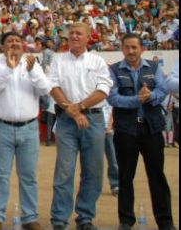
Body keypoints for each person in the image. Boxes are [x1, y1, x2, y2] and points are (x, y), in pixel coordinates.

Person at [47, 22, 113, 230]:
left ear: (88, 37)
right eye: (71, 33)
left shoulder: (98, 61)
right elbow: (52, 86)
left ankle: (85, 217)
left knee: (92, 171)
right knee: (64, 172)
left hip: (93, 119)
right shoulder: (58, 60)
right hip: (67, 120)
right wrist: (73, 111)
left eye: (78, 33)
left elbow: (103, 90)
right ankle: (59, 218)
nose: (74, 36)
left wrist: (80, 107)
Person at [0, 31, 51, 230]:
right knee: (0, 175)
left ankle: (30, 217)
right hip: (1, 127)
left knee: (28, 176)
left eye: (17, 41)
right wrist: (8, 71)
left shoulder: (33, 65)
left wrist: (32, 72)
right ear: (2, 47)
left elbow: (45, 90)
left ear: (23, 45)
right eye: (9, 41)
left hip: (29, 128)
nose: (14, 44)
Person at [107, 34, 176, 230]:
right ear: (122, 48)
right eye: (127, 47)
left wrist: (150, 96)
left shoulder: (154, 68)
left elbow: (162, 91)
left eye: (134, 48)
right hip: (126, 130)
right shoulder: (113, 70)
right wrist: (137, 100)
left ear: (142, 49)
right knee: (125, 177)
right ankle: (126, 221)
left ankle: (165, 221)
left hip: (151, 128)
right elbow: (113, 98)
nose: (130, 51)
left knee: (157, 176)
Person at [101, 100, 120, 196]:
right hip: (94, 128)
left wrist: (109, 126)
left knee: (113, 159)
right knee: (91, 160)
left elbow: (114, 110)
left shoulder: (109, 93)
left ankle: (115, 184)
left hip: (108, 131)